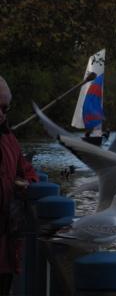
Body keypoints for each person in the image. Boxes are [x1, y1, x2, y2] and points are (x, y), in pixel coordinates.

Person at [0, 76, 38, 295]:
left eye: (5, 108)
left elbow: (26, 171)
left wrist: (27, 184)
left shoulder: (8, 139)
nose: (1, 114)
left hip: (5, 249)